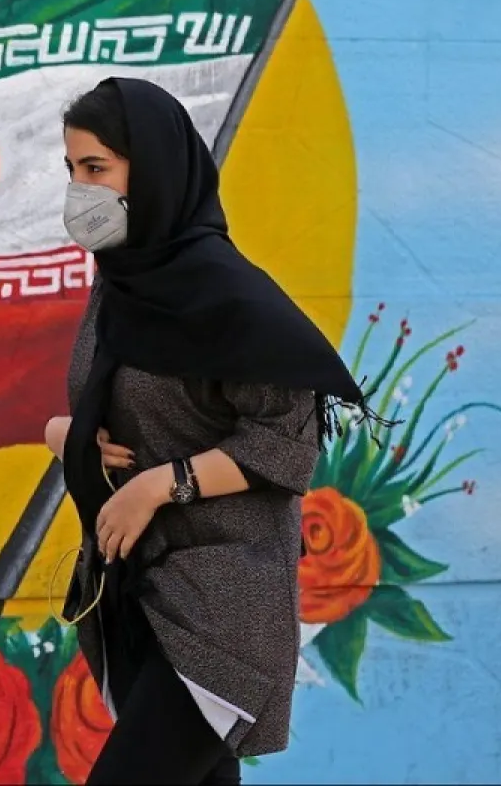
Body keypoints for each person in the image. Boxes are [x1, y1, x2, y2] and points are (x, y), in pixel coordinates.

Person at [38, 77, 379, 785]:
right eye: (72, 171)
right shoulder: (120, 289)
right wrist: (67, 434)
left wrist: (161, 485)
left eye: (96, 168)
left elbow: (287, 441)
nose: (80, 191)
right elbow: (104, 417)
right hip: (142, 599)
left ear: (153, 168)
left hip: (223, 606)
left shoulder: (227, 298)